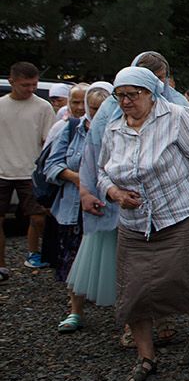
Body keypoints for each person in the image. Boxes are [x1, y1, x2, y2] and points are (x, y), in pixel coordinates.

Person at [99, 66, 189, 381]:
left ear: (151, 93)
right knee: (133, 289)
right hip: (134, 222)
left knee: (179, 279)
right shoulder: (114, 127)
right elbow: (101, 171)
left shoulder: (175, 116)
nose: (126, 102)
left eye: (133, 95)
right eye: (121, 96)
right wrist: (115, 192)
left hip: (181, 213)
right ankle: (146, 358)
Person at [44, 84, 100, 331]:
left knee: (111, 259)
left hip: (106, 207)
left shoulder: (117, 129)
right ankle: (75, 310)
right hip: (73, 206)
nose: (81, 109)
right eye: (76, 103)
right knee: (73, 258)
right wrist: (79, 178)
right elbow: (51, 166)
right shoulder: (69, 129)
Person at [65, 82, 117, 321]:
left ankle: (129, 319)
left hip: (117, 203)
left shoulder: (120, 128)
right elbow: (56, 163)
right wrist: (85, 188)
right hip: (93, 203)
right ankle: (75, 310)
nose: (96, 113)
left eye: (101, 108)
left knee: (123, 261)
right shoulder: (75, 128)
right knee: (88, 255)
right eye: (92, 108)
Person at [1, 62, 57, 274]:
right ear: (12, 81)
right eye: (25, 85)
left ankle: (35, 253)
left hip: (30, 172)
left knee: (38, 217)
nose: (31, 89)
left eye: (34, 84)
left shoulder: (42, 107)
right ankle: (1, 265)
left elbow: (49, 141)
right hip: (2, 171)